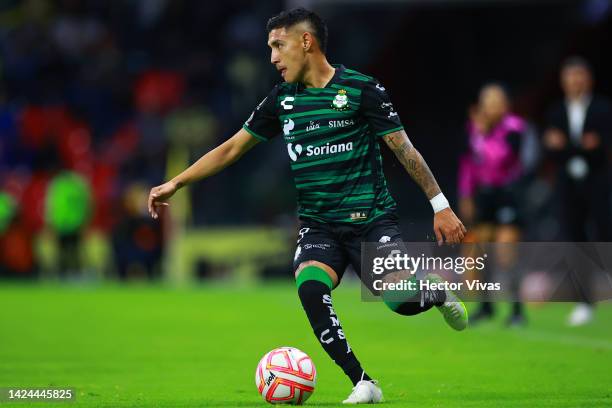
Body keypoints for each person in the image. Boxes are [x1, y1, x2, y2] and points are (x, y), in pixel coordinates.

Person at [148, 8, 467, 404]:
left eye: (278, 46)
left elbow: (405, 151)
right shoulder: (282, 101)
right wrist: (177, 182)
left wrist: (441, 205)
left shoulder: (361, 89)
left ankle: (433, 293)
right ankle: (363, 382)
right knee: (310, 287)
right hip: (319, 225)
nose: (272, 58)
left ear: (306, 42)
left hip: (371, 221)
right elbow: (232, 148)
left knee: (400, 301)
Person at [542, 57, 612, 326]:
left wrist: (566, 147)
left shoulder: (603, 108)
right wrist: (579, 146)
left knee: (604, 233)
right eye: (570, 76)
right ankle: (585, 302)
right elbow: (551, 150)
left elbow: (599, 146)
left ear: (588, 79)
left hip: (597, 183)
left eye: (580, 75)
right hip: (567, 186)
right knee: (574, 240)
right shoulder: (556, 111)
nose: (575, 81)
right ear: (563, 81)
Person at [458, 83, 528, 326]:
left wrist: (483, 135)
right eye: (487, 101)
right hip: (485, 195)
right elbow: (468, 164)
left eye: (496, 101)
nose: (491, 106)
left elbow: (504, 159)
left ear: (505, 105)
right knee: (482, 251)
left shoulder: (514, 128)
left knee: (506, 252)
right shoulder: (474, 129)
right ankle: (486, 306)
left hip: (509, 193)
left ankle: (517, 310)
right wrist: (466, 195)